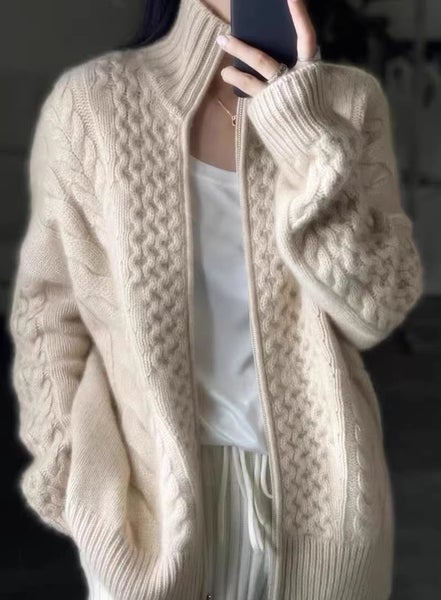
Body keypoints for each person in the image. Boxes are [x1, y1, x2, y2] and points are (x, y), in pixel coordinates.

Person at [8, 0, 424, 598]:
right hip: (146, 516)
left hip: (324, 520)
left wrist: (306, 138)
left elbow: (376, 309)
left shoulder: (348, 104)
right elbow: (48, 309)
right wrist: (70, 477)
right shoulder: (92, 104)